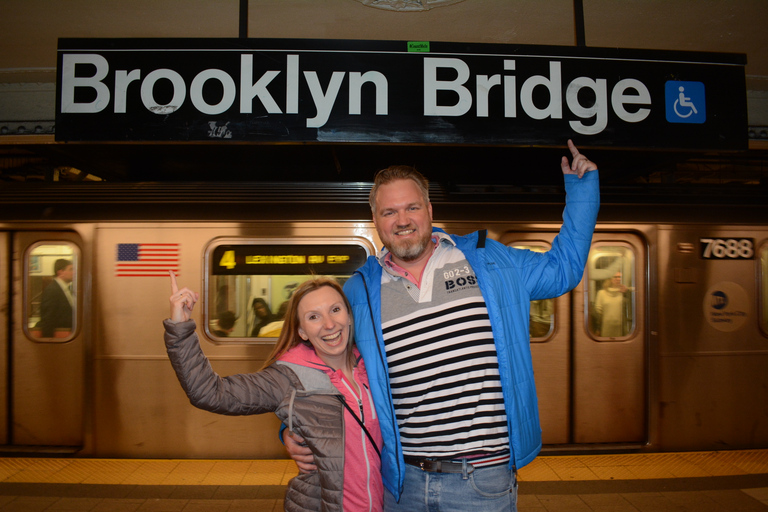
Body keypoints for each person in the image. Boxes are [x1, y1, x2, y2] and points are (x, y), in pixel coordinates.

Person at [285, 140, 599, 511]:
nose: (402, 220)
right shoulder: (361, 290)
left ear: (430, 210)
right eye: (389, 212)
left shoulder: (487, 261)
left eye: (412, 207)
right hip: (402, 485)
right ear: (376, 223)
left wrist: (582, 191)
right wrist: (292, 427)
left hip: (481, 481)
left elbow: (563, 269)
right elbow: (324, 363)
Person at [164, 272, 383, 511]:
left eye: (335, 310)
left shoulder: (374, 367)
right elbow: (208, 392)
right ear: (301, 332)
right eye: (313, 317)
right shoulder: (286, 378)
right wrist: (181, 329)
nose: (329, 324)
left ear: (349, 316)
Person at [38, 258, 74, 337]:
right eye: (71, 269)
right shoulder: (52, 290)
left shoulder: (67, 289)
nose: (74, 272)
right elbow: (48, 320)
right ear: (60, 272)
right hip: (60, 337)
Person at [594, 272, 629, 337]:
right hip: (605, 327)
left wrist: (627, 293)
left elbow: (628, 310)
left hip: (621, 328)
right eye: (615, 277)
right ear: (610, 279)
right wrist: (598, 328)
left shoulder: (624, 293)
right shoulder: (601, 293)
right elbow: (598, 312)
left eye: (620, 277)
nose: (618, 279)